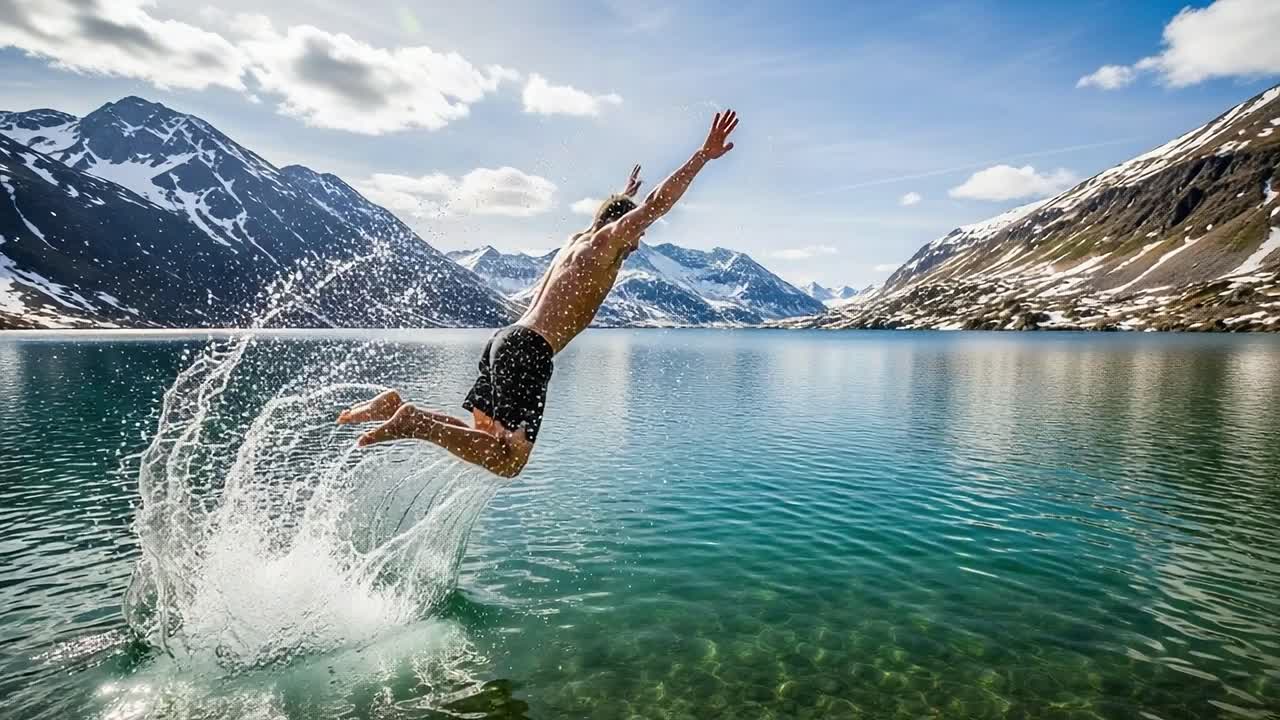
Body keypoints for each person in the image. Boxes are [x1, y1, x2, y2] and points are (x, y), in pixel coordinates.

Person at [337, 110, 740, 477]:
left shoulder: (578, 241)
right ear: (623, 226)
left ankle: (399, 408)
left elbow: (608, 216)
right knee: (510, 461)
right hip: (530, 350)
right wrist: (702, 156)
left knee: (490, 440)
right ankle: (412, 421)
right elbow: (657, 203)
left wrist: (622, 195)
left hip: (504, 341)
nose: (638, 241)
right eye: (637, 231)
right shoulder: (606, 246)